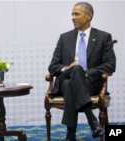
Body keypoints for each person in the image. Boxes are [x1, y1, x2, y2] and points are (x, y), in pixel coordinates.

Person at [48, 2, 116, 141]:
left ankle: (70, 136)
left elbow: (110, 65)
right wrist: (68, 68)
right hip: (66, 77)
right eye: (72, 14)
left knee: (69, 84)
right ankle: (92, 121)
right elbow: (53, 66)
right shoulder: (65, 37)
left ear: (89, 15)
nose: (73, 17)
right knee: (75, 69)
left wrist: (87, 73)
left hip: (90, 83)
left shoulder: (103, 37)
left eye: (77, 14)